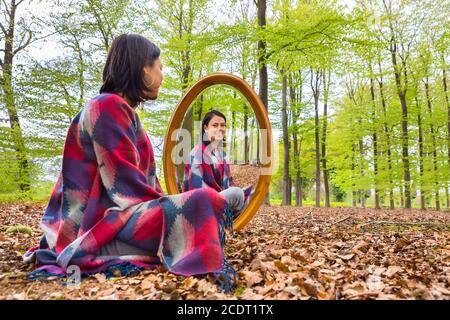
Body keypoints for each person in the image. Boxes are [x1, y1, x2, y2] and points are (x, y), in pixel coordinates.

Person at [23, 34, 239, 292]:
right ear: (142, 67)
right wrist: (180, 206)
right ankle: (105, 249)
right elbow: (126, 191)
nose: (162, 75)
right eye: (159, 67)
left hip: (121, 215)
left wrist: (175, 204)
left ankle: (154, 241)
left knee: (224, 197)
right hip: (95, 224)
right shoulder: (108, 107)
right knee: (211, 200)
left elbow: (143, 189)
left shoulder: (123, 111)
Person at [182, 110, 253, 218]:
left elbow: (228, 185)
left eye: (223, 125)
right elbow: (196, 191)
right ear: (206, 128)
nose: (220, 128)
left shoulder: (222, 155)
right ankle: (217, 220)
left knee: (249, 194)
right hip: (200, 204)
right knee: (237, 193)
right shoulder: (198, 153)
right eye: (215, 125)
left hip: (219, 200)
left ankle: (225, 222)